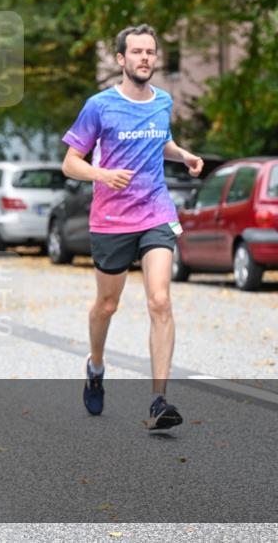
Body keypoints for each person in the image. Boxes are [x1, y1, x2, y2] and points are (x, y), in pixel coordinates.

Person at [61, 24, 203, 431]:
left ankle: (159, 401)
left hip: (155, 212)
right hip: (111, 220)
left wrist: (184, 155)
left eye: (151, 52)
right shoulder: (100, 106)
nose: (145, 58)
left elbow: (160, 142)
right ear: (121, 60)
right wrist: (102, 175)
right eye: (137, 52)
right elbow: (71, 162)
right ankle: (96, 365)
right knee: (107, 305)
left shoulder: (163, 102)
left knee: (160, 301)